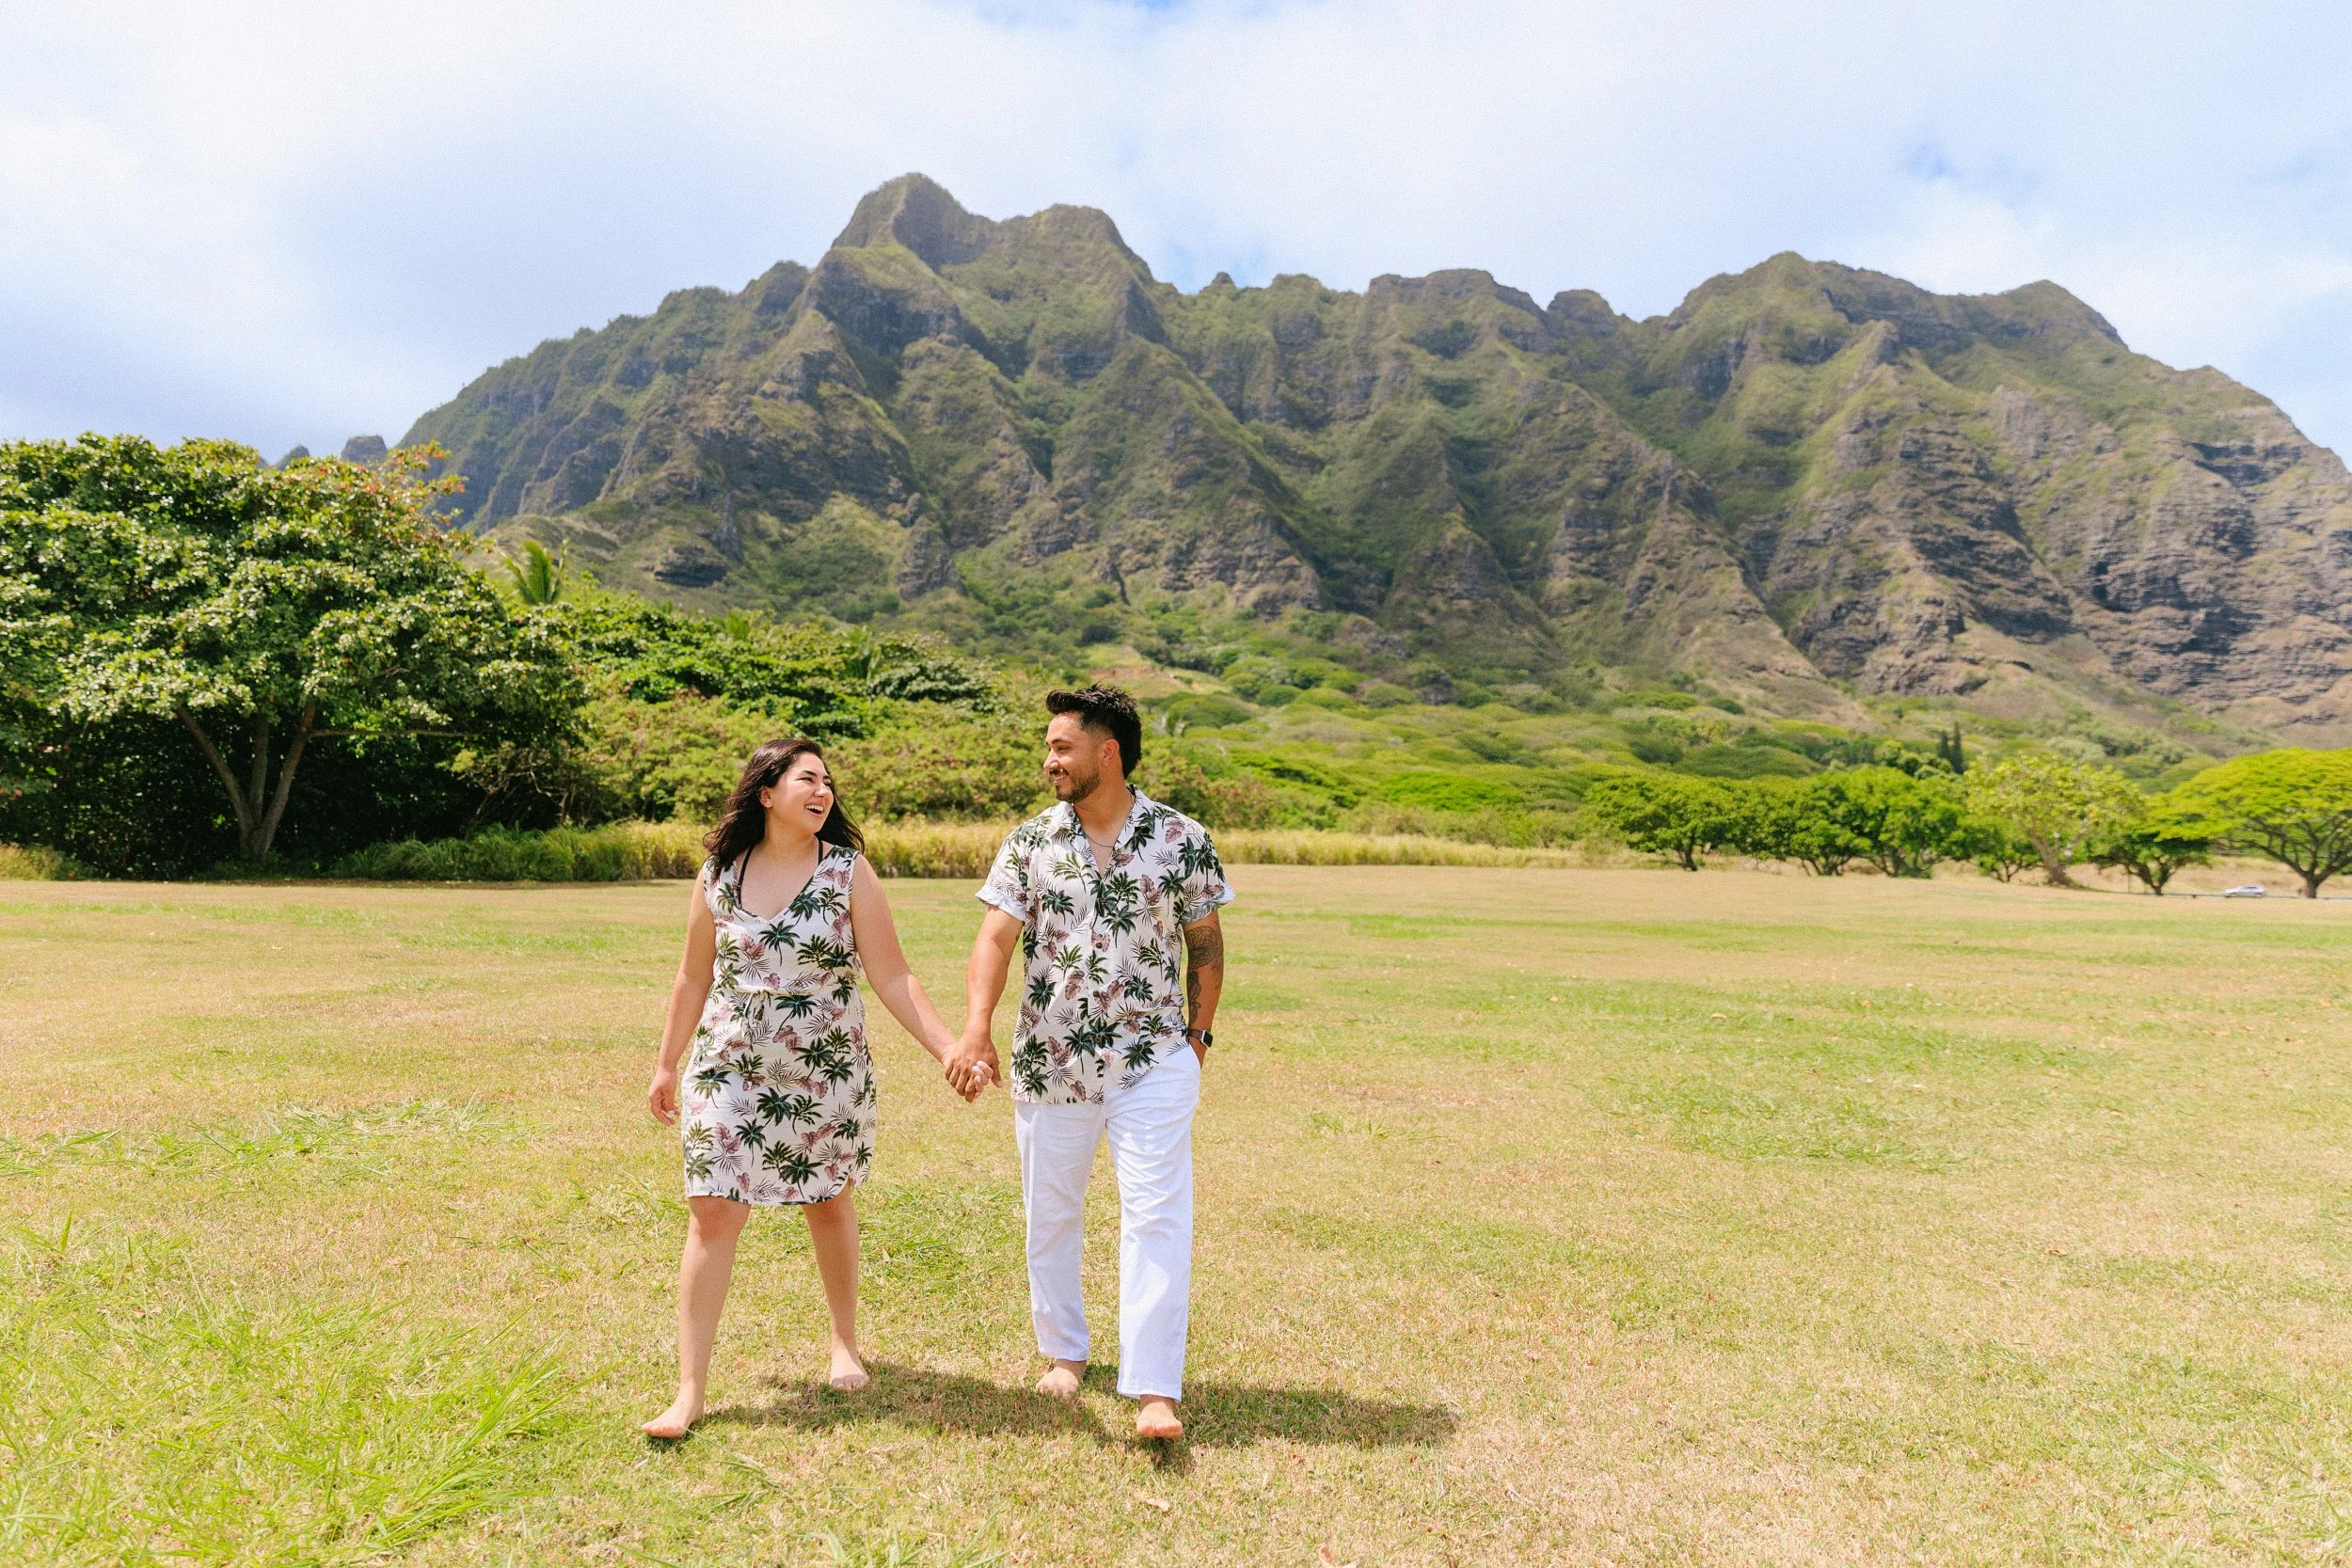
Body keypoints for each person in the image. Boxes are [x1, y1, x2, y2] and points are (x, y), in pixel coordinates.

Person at [643, 738, 980, 1438]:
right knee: (711, 1209)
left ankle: (843, 1341)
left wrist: (949, 1046)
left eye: (828, 781)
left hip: (823, 1068)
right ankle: (689, 1390)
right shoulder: (717, 875)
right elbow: (692, 976)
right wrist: (666, 1061)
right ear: (766, 792)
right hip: (728, 1066)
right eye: (807, 779)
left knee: (827, 1200)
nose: (823, 790)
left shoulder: (848, 871)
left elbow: (891, 974)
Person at [948, 686, 1231, 1441]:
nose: (1049, 760)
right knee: (1052, 1213)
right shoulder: (1031, 840)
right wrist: (975, 1029)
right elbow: (995, 939)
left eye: (1061, 746)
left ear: (1107, 752)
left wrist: (1197, 1041)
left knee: (1156, 1217)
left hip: (1154, 1059)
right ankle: (1064, 1353)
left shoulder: (1182, 837)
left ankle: (1153, 1390)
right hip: (1051, 1060)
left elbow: (1204, 941)